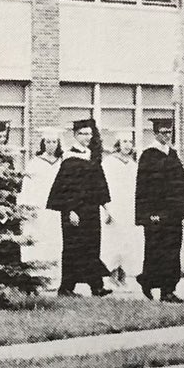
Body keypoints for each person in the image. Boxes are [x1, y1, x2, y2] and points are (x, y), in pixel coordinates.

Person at [50, 118, 113, 297]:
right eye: (83, 134)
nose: (87, 137)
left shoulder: (91, 156)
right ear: (75, 135)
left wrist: (107, 208)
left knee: (92, 246)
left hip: (91, 210)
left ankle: (96, 286)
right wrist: (70, 210)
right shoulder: (70, 157)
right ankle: (66, 288)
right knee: (73, 248)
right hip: (74, 211)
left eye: (89, 134)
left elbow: (100, 184)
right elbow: (64, 187)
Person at [136, 118, 184, 303]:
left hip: (174, 213)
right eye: (163, 132)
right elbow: (143, 187)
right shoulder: (148, 155)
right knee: (156, 250)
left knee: (172, 250)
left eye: (169, 132)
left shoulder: (173, 154)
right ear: (155, 133)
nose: (167, 135)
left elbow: (182, 181)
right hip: (156, 213)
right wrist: (148, 213)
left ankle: (168, 290)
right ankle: (147, 281)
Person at [19, 128, 65, 286]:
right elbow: (27, 188)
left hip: (56, 209)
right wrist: (27, 207)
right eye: (48, 142)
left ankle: (54, 279)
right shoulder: (35, 163)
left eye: (54, 142)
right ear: (43, 143)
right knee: (39, 240)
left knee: (56, 242)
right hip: (38, 208)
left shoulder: (62, 163)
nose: (51, 145)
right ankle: (37, 278)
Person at [103, 133, 145, 289]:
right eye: (124, 141)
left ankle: (123, 274)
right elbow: (104, 186)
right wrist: (107, 209)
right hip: (114, 207)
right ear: (118, 143)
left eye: (130, 141)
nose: (127, 145)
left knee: (128, 241)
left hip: (129, 208)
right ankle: (112, 274)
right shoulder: (108, 163)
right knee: (114, 240)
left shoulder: (134, 165)